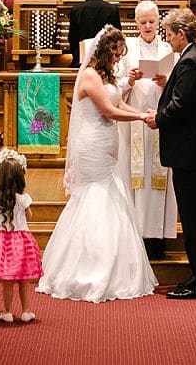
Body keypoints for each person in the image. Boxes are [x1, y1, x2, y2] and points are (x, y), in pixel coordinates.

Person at [38, 26, 158, 302]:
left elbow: (119, 103)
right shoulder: (90, 76)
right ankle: (87, 269)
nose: (118, 60)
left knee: (110, 194)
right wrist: (141, 119)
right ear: (104, 53)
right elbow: (107, 109)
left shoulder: (106, 75)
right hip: (91, 143)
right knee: (96, 196)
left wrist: (143, 113)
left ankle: (115, 265)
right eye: (115, 55)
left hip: (106, 141)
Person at [146, 7, 196, 299]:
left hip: (190, 153)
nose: (168, 39)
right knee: (195, 219)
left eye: (169, 33)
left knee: (195, 220)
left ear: (181, 33)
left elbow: (180, 106)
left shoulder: (190, 61)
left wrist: (157, 118)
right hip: (195, 152)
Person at [117, 0, 178, 258]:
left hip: (162, 118)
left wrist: (166, 81)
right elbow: (115, 85)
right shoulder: (127, 49)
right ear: (136, 23)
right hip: (135, 121)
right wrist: (129, 80)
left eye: (152, 21)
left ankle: (158, 239)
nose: (148, 26)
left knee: (160, 176)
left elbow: (178, 85)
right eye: (142, 22)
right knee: (135, 176)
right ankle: (136, 237)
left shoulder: (169, 50)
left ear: (158, 21)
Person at [0, 147, 43, 324]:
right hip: (22, 241)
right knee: (24, 279)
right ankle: (26, 311)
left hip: (3, 241)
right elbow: (29, 216)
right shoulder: (24, 199)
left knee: (7, 280)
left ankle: (7, 311)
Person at [67, 0, 122, 65]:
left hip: (81, 61)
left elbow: (72, 38)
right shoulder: (112, 9)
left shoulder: (76, 10)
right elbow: (117, 38)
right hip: (104, 62)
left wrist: (77, 56)